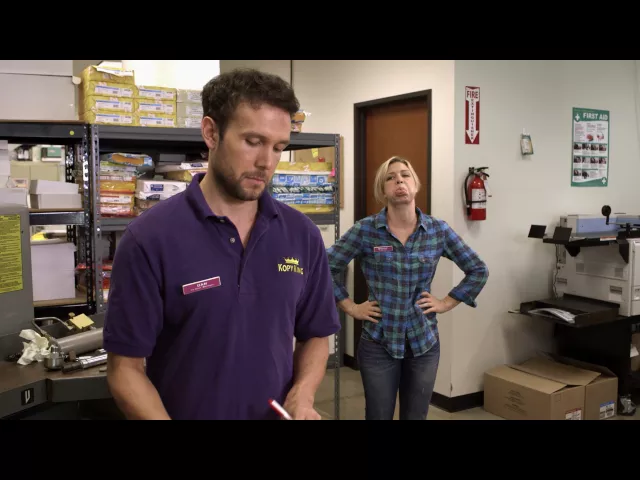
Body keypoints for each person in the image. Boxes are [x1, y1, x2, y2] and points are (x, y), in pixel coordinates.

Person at [103, 68, 341, 420]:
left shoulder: (302, 235)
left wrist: (302, 397)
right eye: (253, 141)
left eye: (278, 147)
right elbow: (125, 369)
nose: (266, 162)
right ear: (211, 133)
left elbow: (316, 334)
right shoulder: (149, 238)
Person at [326, 156, 488, 420]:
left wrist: (446, 302)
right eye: (390, 178)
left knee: (415, 416)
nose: (399, 181)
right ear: (382, 189)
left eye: (405, 175)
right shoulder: (365, 230)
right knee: (378, 415)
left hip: (423, 342)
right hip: (378, 342)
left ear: (415, 184)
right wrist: (350, 307)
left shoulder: (437, 230)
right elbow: (324, 267)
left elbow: (478, 269)